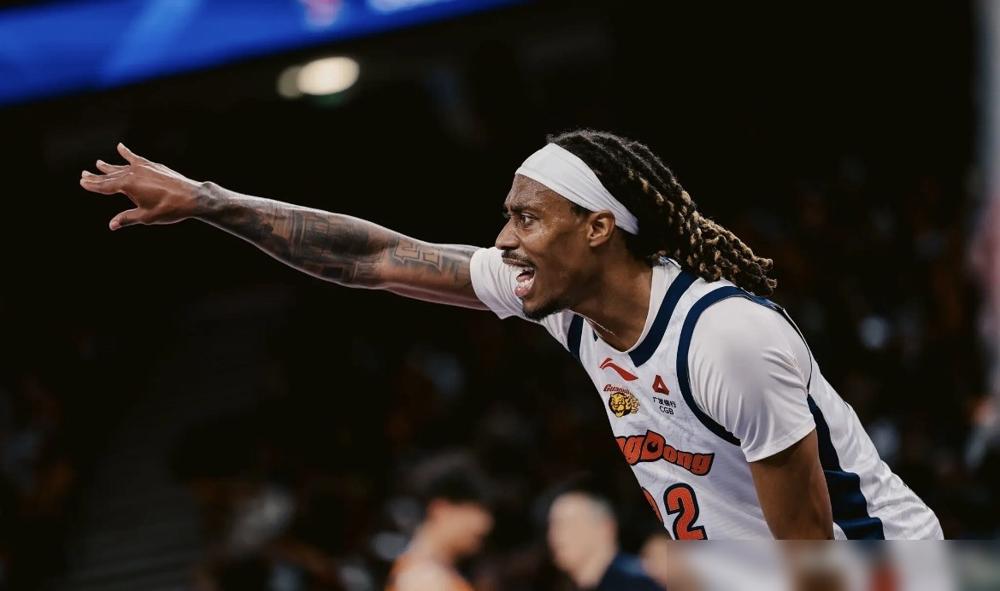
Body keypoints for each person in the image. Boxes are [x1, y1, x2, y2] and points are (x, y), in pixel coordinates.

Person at [80, 130, 942, 539]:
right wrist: (211, 202)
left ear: (598, 228)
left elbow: (812, 559)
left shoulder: (723, 340)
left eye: (527, 217)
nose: (503, 239)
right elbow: (371, 257)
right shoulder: (563, 302)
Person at [386, 454, 494, 591]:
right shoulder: (425, 580)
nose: (484, 524)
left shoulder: (434, 574)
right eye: (477, 510)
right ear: (441, 508)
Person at [547, 489, 663, 590]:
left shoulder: (640, 583)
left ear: (605, 528)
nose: (554, 536)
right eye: (551, 527)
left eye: (567, 524)